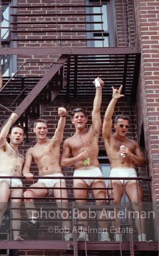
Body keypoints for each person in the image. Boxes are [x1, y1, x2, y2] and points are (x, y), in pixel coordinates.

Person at [61, 77, 110, 242]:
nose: (80, 119)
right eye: (76, 117)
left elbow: (96, 110)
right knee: (81, 204)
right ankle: (84, 233)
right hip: (79, 173)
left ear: (85, 119)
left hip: (95, 170)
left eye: (82, 116)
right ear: (72, 120)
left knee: (101, 203)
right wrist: (77, 157)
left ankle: (104, 234)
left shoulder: (92, 132)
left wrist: (98, 88)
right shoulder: (69, 141)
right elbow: (63, 162)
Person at [102, 85, 147, 242]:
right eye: (121, 125)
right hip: (115, 173)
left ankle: (142, 237)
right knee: (114, 205)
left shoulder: (133, 143)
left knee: (138, 205)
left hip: (130, 173)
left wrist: (130, 155)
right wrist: (114, 100)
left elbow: (143, 163)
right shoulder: (109, 138)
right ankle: (118, 236)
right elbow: (107, 119)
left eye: (127, 126)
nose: (124, 128)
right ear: (115, 126)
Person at [22, 108, 72, 241]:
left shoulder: (54, 142)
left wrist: (62, 117)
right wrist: (27, 173)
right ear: (34, 130)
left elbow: (59, 131)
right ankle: (33, 222)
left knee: (63, 205)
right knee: (27, 194)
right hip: (43, 180)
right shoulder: (31, 150)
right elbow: (26, 168)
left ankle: (68, 234)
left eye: (44, 128)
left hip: (57, 178)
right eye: (39, 128)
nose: (42, 130)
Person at [0, 113, 24, 241]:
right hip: (4, 178)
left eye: (20, 134)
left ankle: (16, 236)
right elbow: (1, 136)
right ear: (10, 135)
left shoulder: (22, 156)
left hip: (17, 182)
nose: (18, 135)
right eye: (15, 133)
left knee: (16, 209)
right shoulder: (4, 147)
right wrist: (11, 120)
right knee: (1, 206)